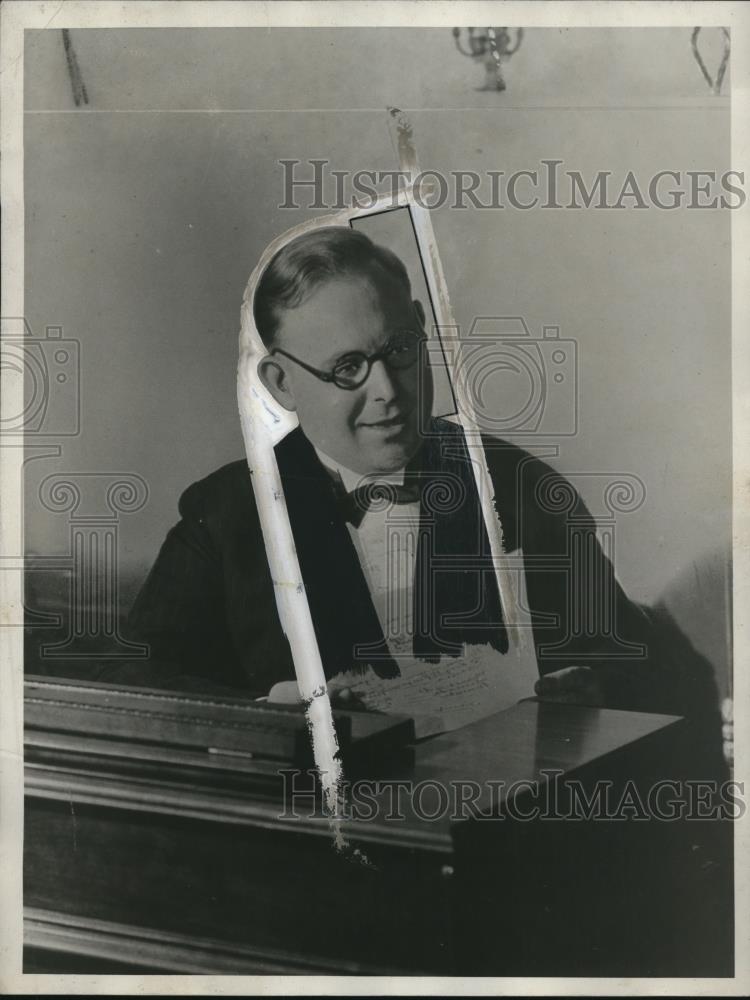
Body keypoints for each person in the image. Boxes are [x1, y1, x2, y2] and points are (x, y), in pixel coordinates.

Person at [121, 226, 720, 730]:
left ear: (418, 327)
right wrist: (273, 711)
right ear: (282, 384)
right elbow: (133, 678)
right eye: (348, 368)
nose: (388, 392)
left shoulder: (522, 489)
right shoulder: (228, 512)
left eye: (399, 350)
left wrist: (598, 689)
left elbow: (644, 666)